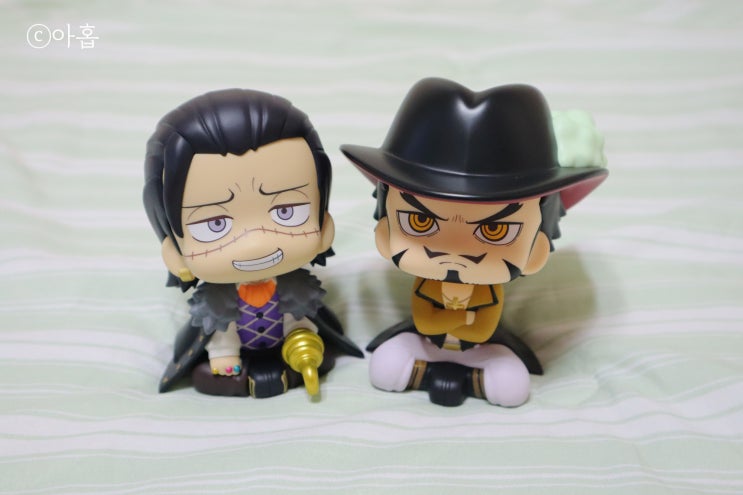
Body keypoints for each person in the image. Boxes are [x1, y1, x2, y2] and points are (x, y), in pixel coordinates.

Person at [341, 78, 608, 407]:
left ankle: (474, 378)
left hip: (481, 351)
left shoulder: (486, 291)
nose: (454, 255)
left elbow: (482, 330)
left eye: (495, 230)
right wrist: (458, 320)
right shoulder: (429, 285)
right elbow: (424, 321)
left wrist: (456, 322)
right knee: (385, 366)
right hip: (426, 345)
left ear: (536, 250)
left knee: (511, 385)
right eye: (421, 221)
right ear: (385, 232)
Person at [144, 88, 362, 398]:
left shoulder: (298, 288)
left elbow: (300, 317)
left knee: (320, 357)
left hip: (288, 345)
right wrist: (224, 356)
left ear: (323, 221)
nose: (256, 243)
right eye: (214, 224)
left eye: (287, 211)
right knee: (212, 371)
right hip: (234, 354)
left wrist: (302, 340)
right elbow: (219, 331)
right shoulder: (215, 301)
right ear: (173, 250)